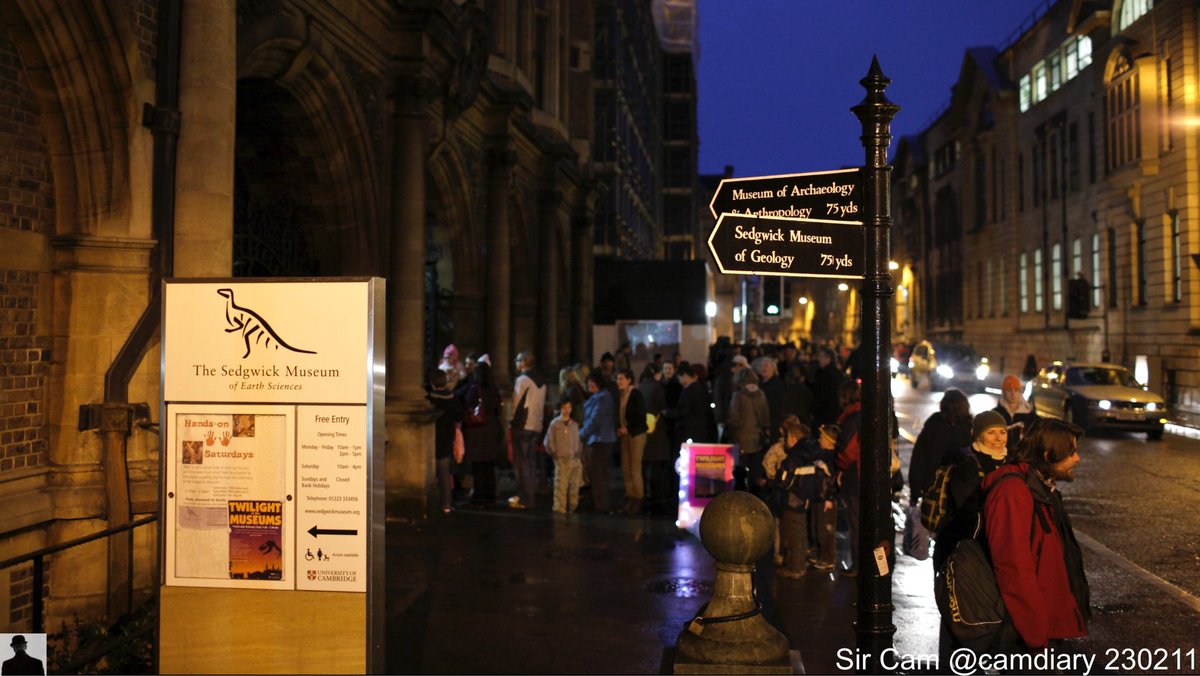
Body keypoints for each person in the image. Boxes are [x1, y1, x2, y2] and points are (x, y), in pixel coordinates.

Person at [983, 418, 1090, 653]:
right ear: (1047, 455)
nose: (1077, 459)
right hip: (1025, 635)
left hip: (1043, 630)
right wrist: (1035, 634)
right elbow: (1014, 569)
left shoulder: (1041, 489)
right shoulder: (1013, 493)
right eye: (1070, 452)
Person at [908, 389, 973, 501]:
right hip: (961, 489)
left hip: (933, 487)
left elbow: (918, 459)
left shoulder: (933, 426)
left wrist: (915, 492)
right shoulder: (969, 428)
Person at [458, 356, 502, 507]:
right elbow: (498, 410)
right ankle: (490, 496)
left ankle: (479, 496)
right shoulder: (494, 389)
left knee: (478, 466)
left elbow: (467, 406)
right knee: (489, 465)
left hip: (477, 432)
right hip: (491, 430)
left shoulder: (474, 389)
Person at [832, 379, 862, 576]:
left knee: (857, 522)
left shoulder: (852, 418)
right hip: (864, 475)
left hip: (856, 476)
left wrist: (838, 464)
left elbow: (848, 452)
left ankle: (859, 565)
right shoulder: (865, 413)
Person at [726, 366, 770, 493]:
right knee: (755, 471)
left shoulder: (738, 396)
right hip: (757, 438)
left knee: (741, 472)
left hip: (741, 438)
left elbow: (734, 419)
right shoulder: (761, 394)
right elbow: (766, 416)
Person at [427, 369, 464, 514]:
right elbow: (459, 416)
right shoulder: (452, 398)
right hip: (447, 437)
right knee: (444, 472)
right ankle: (446, 503)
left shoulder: (429, 399)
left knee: (430, 472)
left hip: (432, 436)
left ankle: (432, 502)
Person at [580, 371, 617, 513]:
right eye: (588, 383)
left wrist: (582, 433)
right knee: (598, 471)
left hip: (602, 439)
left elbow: (595, 419)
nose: (590, 385)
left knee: (596, 472)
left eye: (592, 383)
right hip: (599, 438)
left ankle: (602, 504)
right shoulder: (599, 397)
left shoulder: (603, 398)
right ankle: (600, 502)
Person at [638, 363, 671, 515]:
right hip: (656, 431)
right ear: (656, 373)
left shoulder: (641, 386)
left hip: (643, 429)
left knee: (645, 466)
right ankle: (656, 497)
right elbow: (662, 409)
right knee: (656, 467)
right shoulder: (657, 388)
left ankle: (645, 495)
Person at [615, 368, 648, 514]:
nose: (619, 382)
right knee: (626, 466)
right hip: (625, 434)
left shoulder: (636, 394)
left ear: (629, 380)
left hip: (636, 434)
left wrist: (627, 428)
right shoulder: (621, 395)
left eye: (621, 378)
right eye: (617, 379)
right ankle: (630, 495)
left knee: (635, 467)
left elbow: (640, 416)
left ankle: (638, 497)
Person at [544, 397, 583, 514]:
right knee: (561, 485)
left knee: (574, 485)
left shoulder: (574, 424)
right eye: (564, 407)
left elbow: (578, 440)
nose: (567, 410)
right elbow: (549, 441)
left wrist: (578, 452)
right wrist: (554, 452)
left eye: (569, 407)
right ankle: (559, 508)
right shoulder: (555, 424)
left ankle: (572, 506)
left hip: (574, 458)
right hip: (561, 458)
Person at [664, 364, 712, 450]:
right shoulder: (700, 388)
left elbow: (683, 411)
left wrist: (667, 413)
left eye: (679, 378)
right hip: (700, 430)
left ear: (685, 376)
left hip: (689, 430)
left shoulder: (690, 391)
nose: (679, 381)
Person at [993, 374, 1039, 452]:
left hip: (1022, 458)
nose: (1013, 394)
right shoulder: (996, 414)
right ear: (1004, 393)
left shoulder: (1030, 415)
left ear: (1020, 392)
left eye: (1016, 390)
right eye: (1009, 390)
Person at [808, 347, 844, 428]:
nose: (819, 359)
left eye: (821, 357)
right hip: (834, 411)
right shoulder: (838, 373)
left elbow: (821, 394)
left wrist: (813, 409)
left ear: (828, 359)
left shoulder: (824, 375)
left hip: (823, 412)